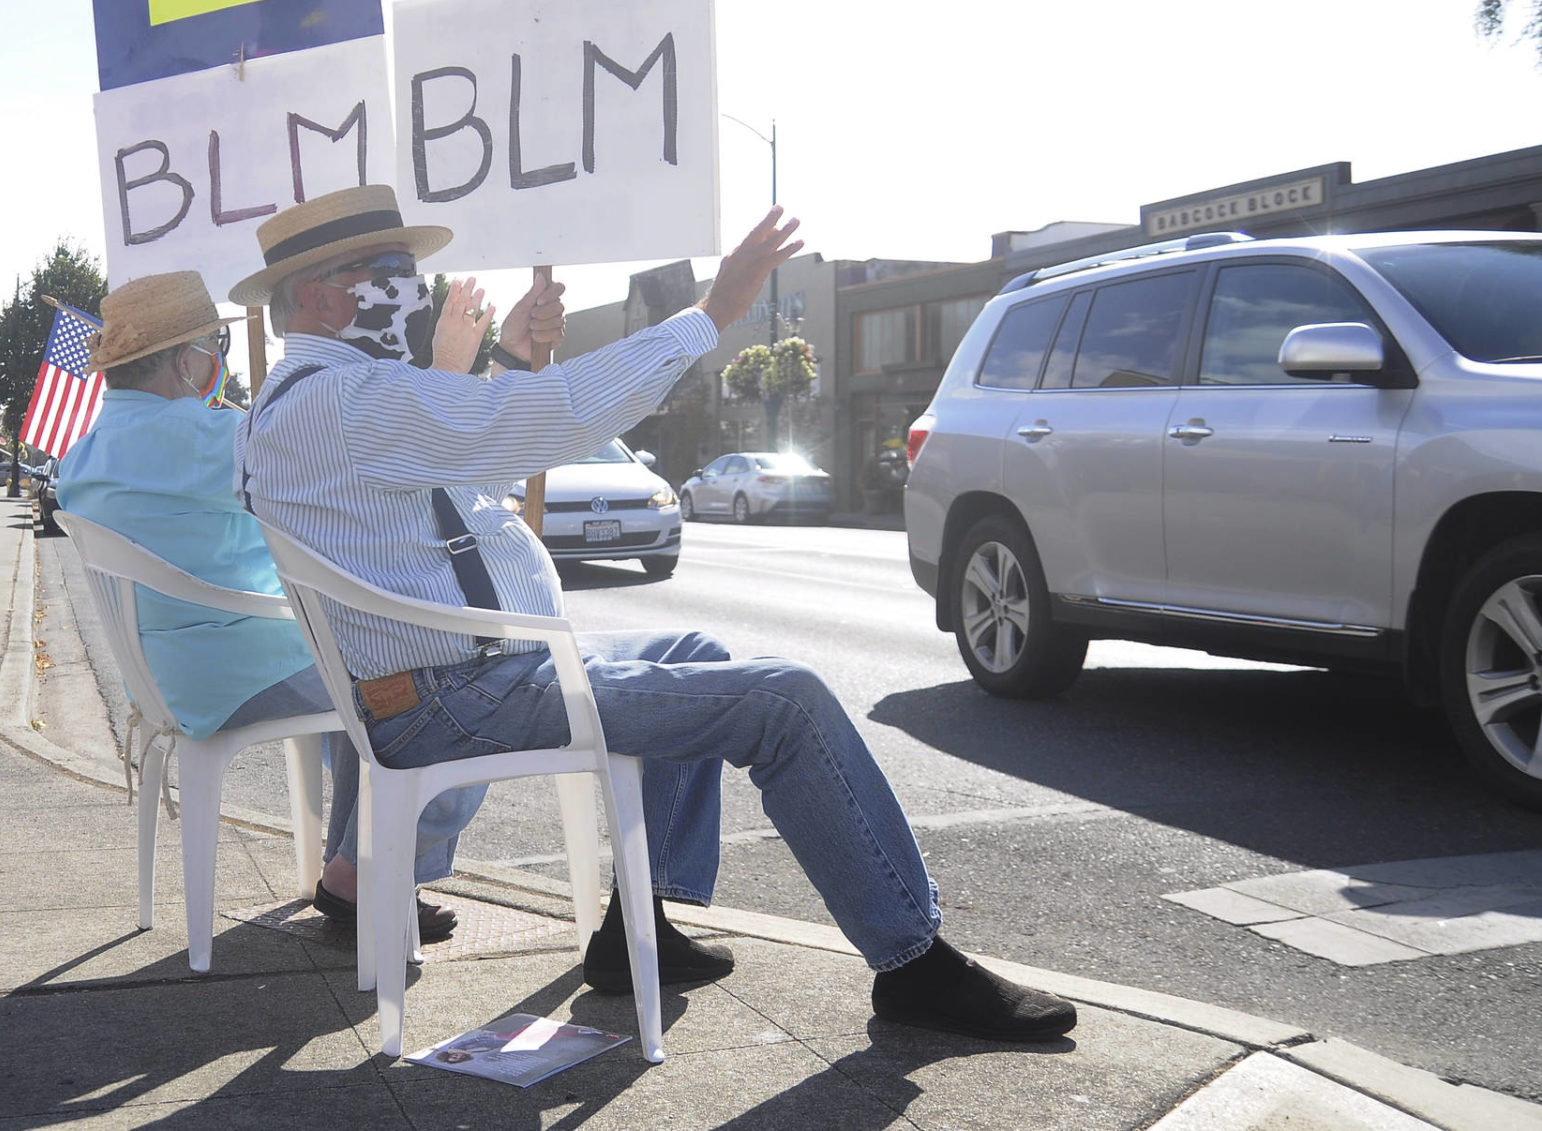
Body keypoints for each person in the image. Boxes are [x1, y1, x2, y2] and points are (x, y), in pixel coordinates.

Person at [231, 185, 1079, 1043]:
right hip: (460, 690)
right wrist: (710, 313)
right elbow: (546, 421)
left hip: (473, 675)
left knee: (697, 646)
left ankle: (645, 922)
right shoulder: (343, 401)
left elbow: (466, 475)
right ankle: (915, 963)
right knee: (785, 699)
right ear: (318, 295)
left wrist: (515, 363)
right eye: (391, 271)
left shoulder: (331, 398)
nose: (415, 289)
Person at [56, 270, 501, 942]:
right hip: (230, 664)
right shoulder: (200, 434)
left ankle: (353, 869)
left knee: (354, 674)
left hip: (161, 673)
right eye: (215, 346)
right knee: (411, 688)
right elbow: (335, 466)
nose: (217, 363)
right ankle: (362, 870)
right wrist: (448, 371)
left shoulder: (82, 451)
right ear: (186, 358)